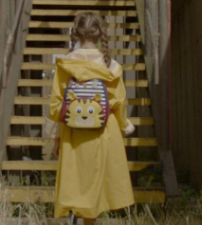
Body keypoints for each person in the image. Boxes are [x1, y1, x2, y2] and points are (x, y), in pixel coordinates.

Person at [48, 11, 136, 224]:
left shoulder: (65, 64)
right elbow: (119, 101)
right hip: (104, 132)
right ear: (100, 34)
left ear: (76, 34)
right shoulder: (110, 66)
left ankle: (75, 219)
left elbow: (56, 104)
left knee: (76, 181)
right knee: (98, 183)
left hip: (73, 133)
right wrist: (124, 126)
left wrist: (56, 137)